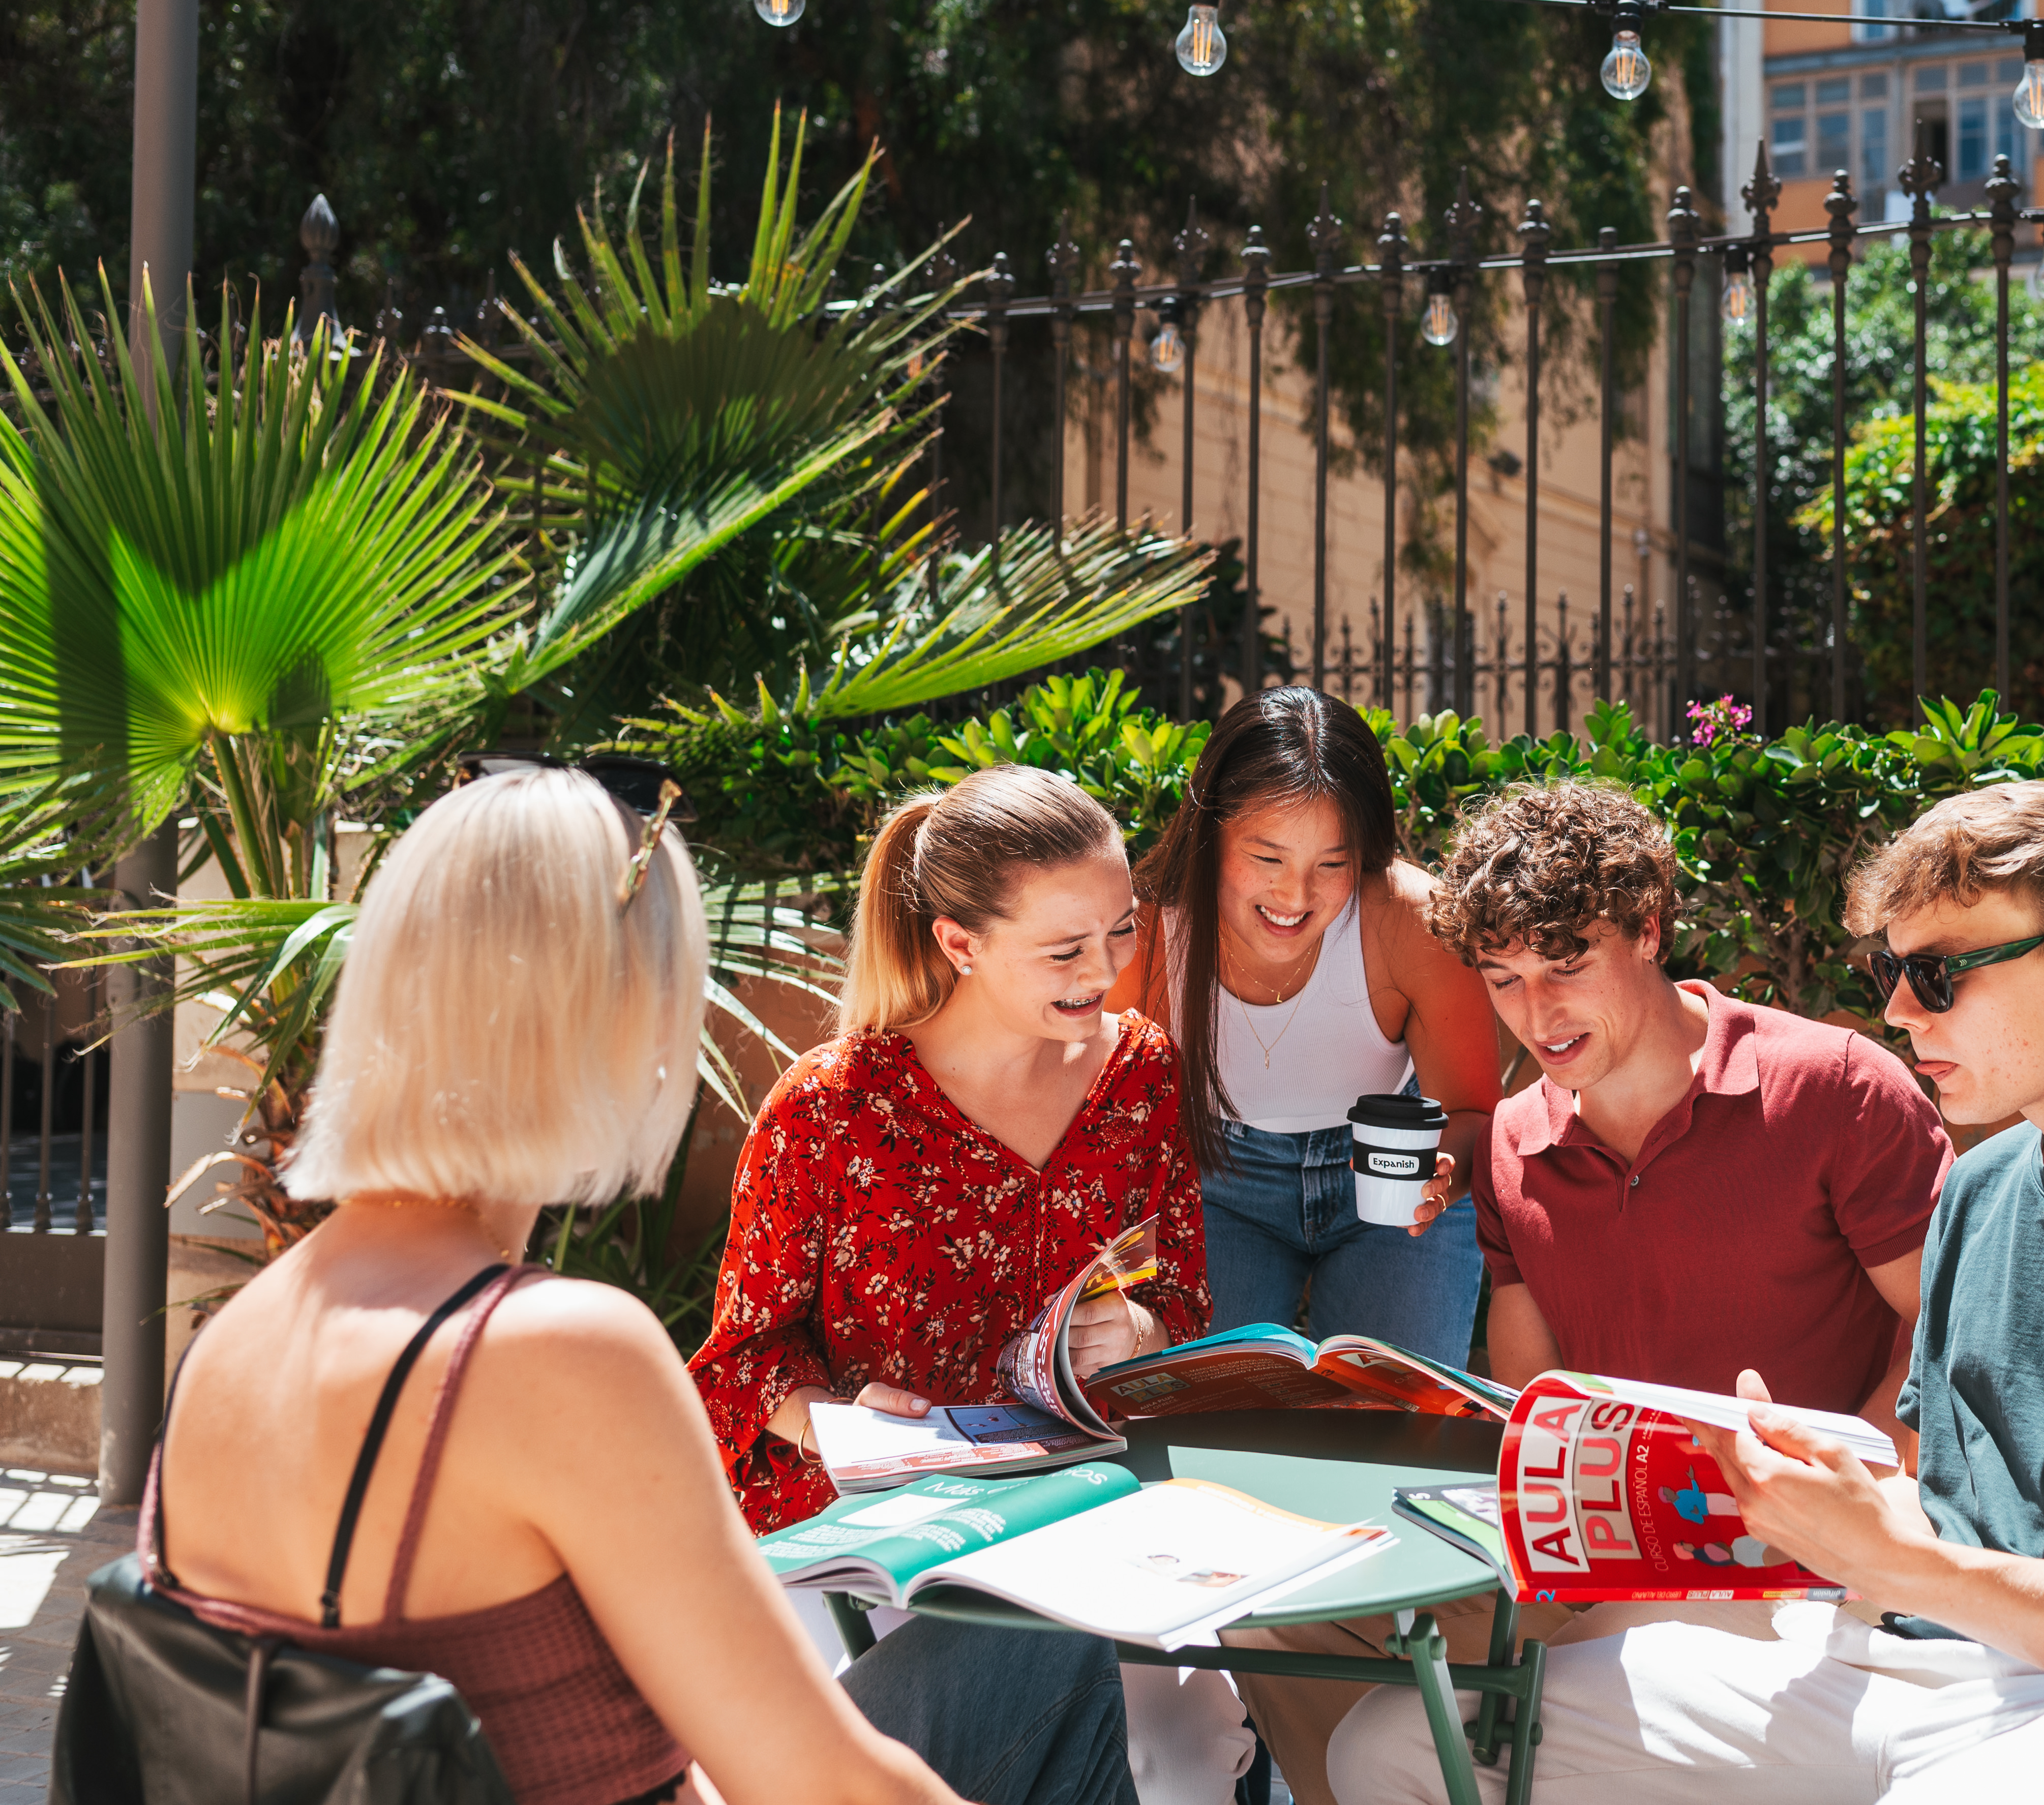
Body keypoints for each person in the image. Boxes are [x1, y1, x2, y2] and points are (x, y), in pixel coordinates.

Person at [1331, 781, 2044, 1805]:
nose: (1897, 1009)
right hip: (1900, 1653)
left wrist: (1906, 1566)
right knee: (1396, 1746)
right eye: (1890, 969)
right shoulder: (1988, 1188)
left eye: (1937, 974)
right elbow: (1935, 1489)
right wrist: (1812, 1491)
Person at [143, 764, 1130, 1805]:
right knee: (1049, 1643)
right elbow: (825, 1785)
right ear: (622, 1018)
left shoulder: (238, 1334)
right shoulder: (556, 1351)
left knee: (1034, 1647)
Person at [1239, 777, 1954, 1805]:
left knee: (1418, 1731)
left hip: (1804, 1559)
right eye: (1504, 979)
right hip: (1603, 1560)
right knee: (1273, 1606)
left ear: (1649, 928)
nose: (1540, 1011)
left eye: (1566, 962)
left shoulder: (1833, 1088)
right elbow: (1536, 1409)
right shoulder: (1515, 1145)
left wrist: (1835, 1507)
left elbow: (1945, 1334)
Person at [687, 764, 1249, 1805]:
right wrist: (841, 1420)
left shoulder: (1142, 1078)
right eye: (1065, 949)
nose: (1107, 971)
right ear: (960, 944)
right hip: (883, 1545)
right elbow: (739, 1365)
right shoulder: (827, 1111)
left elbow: (1182, 1308)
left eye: (1121, 931)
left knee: (1186, 1754)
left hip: (1087, 1511)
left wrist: (1135, 1328)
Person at [1114, 686, 1501, 1367]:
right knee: (1204, 1416)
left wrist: (1447, 1173)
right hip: (1215, 1181)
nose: (1296, 897)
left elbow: (1472, 1110)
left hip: (1393, 1180)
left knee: (1395, 1425)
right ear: (1211, 835)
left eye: (1332, 864)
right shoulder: (1146, 935)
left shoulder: (1413, 922)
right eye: (1268, 859)